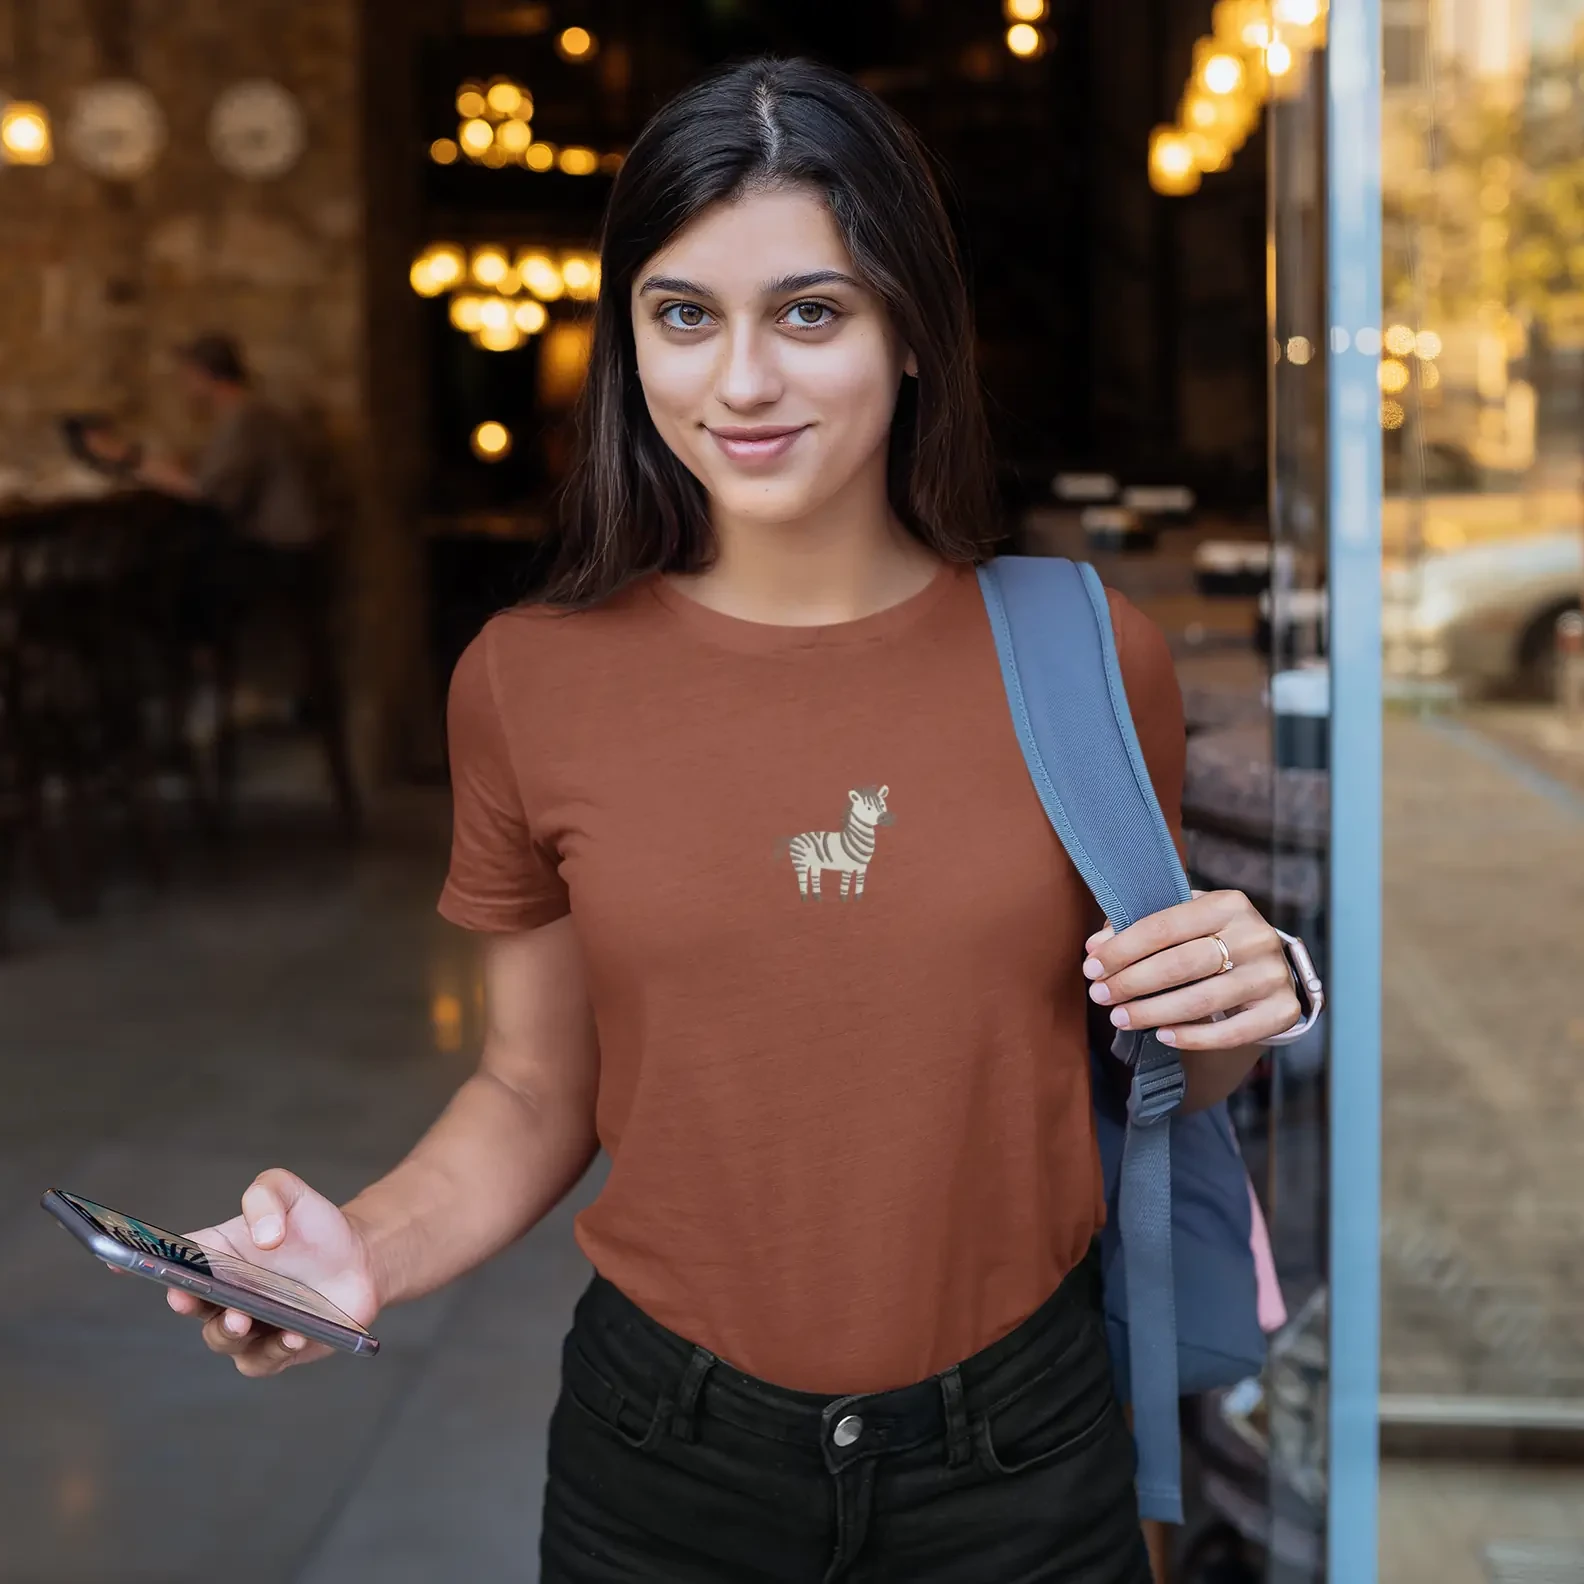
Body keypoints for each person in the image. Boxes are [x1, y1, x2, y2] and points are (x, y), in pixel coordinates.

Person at [163, 58, 1304, 1582]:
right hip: (664, 1465)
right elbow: (533, 1087)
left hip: (1022, 1456)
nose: (742, 381)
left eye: (811, 313)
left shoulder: (1092, 655)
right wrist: (360, 1248)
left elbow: (1161, 1074)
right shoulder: (529, 681)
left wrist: (1241, 995)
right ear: (630, 339)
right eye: (684, 315)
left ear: (913, 332)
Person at [86, 335, 357, 829]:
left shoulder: (246, 417)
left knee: (154, 590)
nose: (183, 388)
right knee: (163, 578)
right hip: (291, 557)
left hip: (281, 561)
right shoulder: (251, 417)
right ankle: (179, 711)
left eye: (187, 376)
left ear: (203, 375)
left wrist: (127, 460)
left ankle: (187, 707)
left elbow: (208, 492)